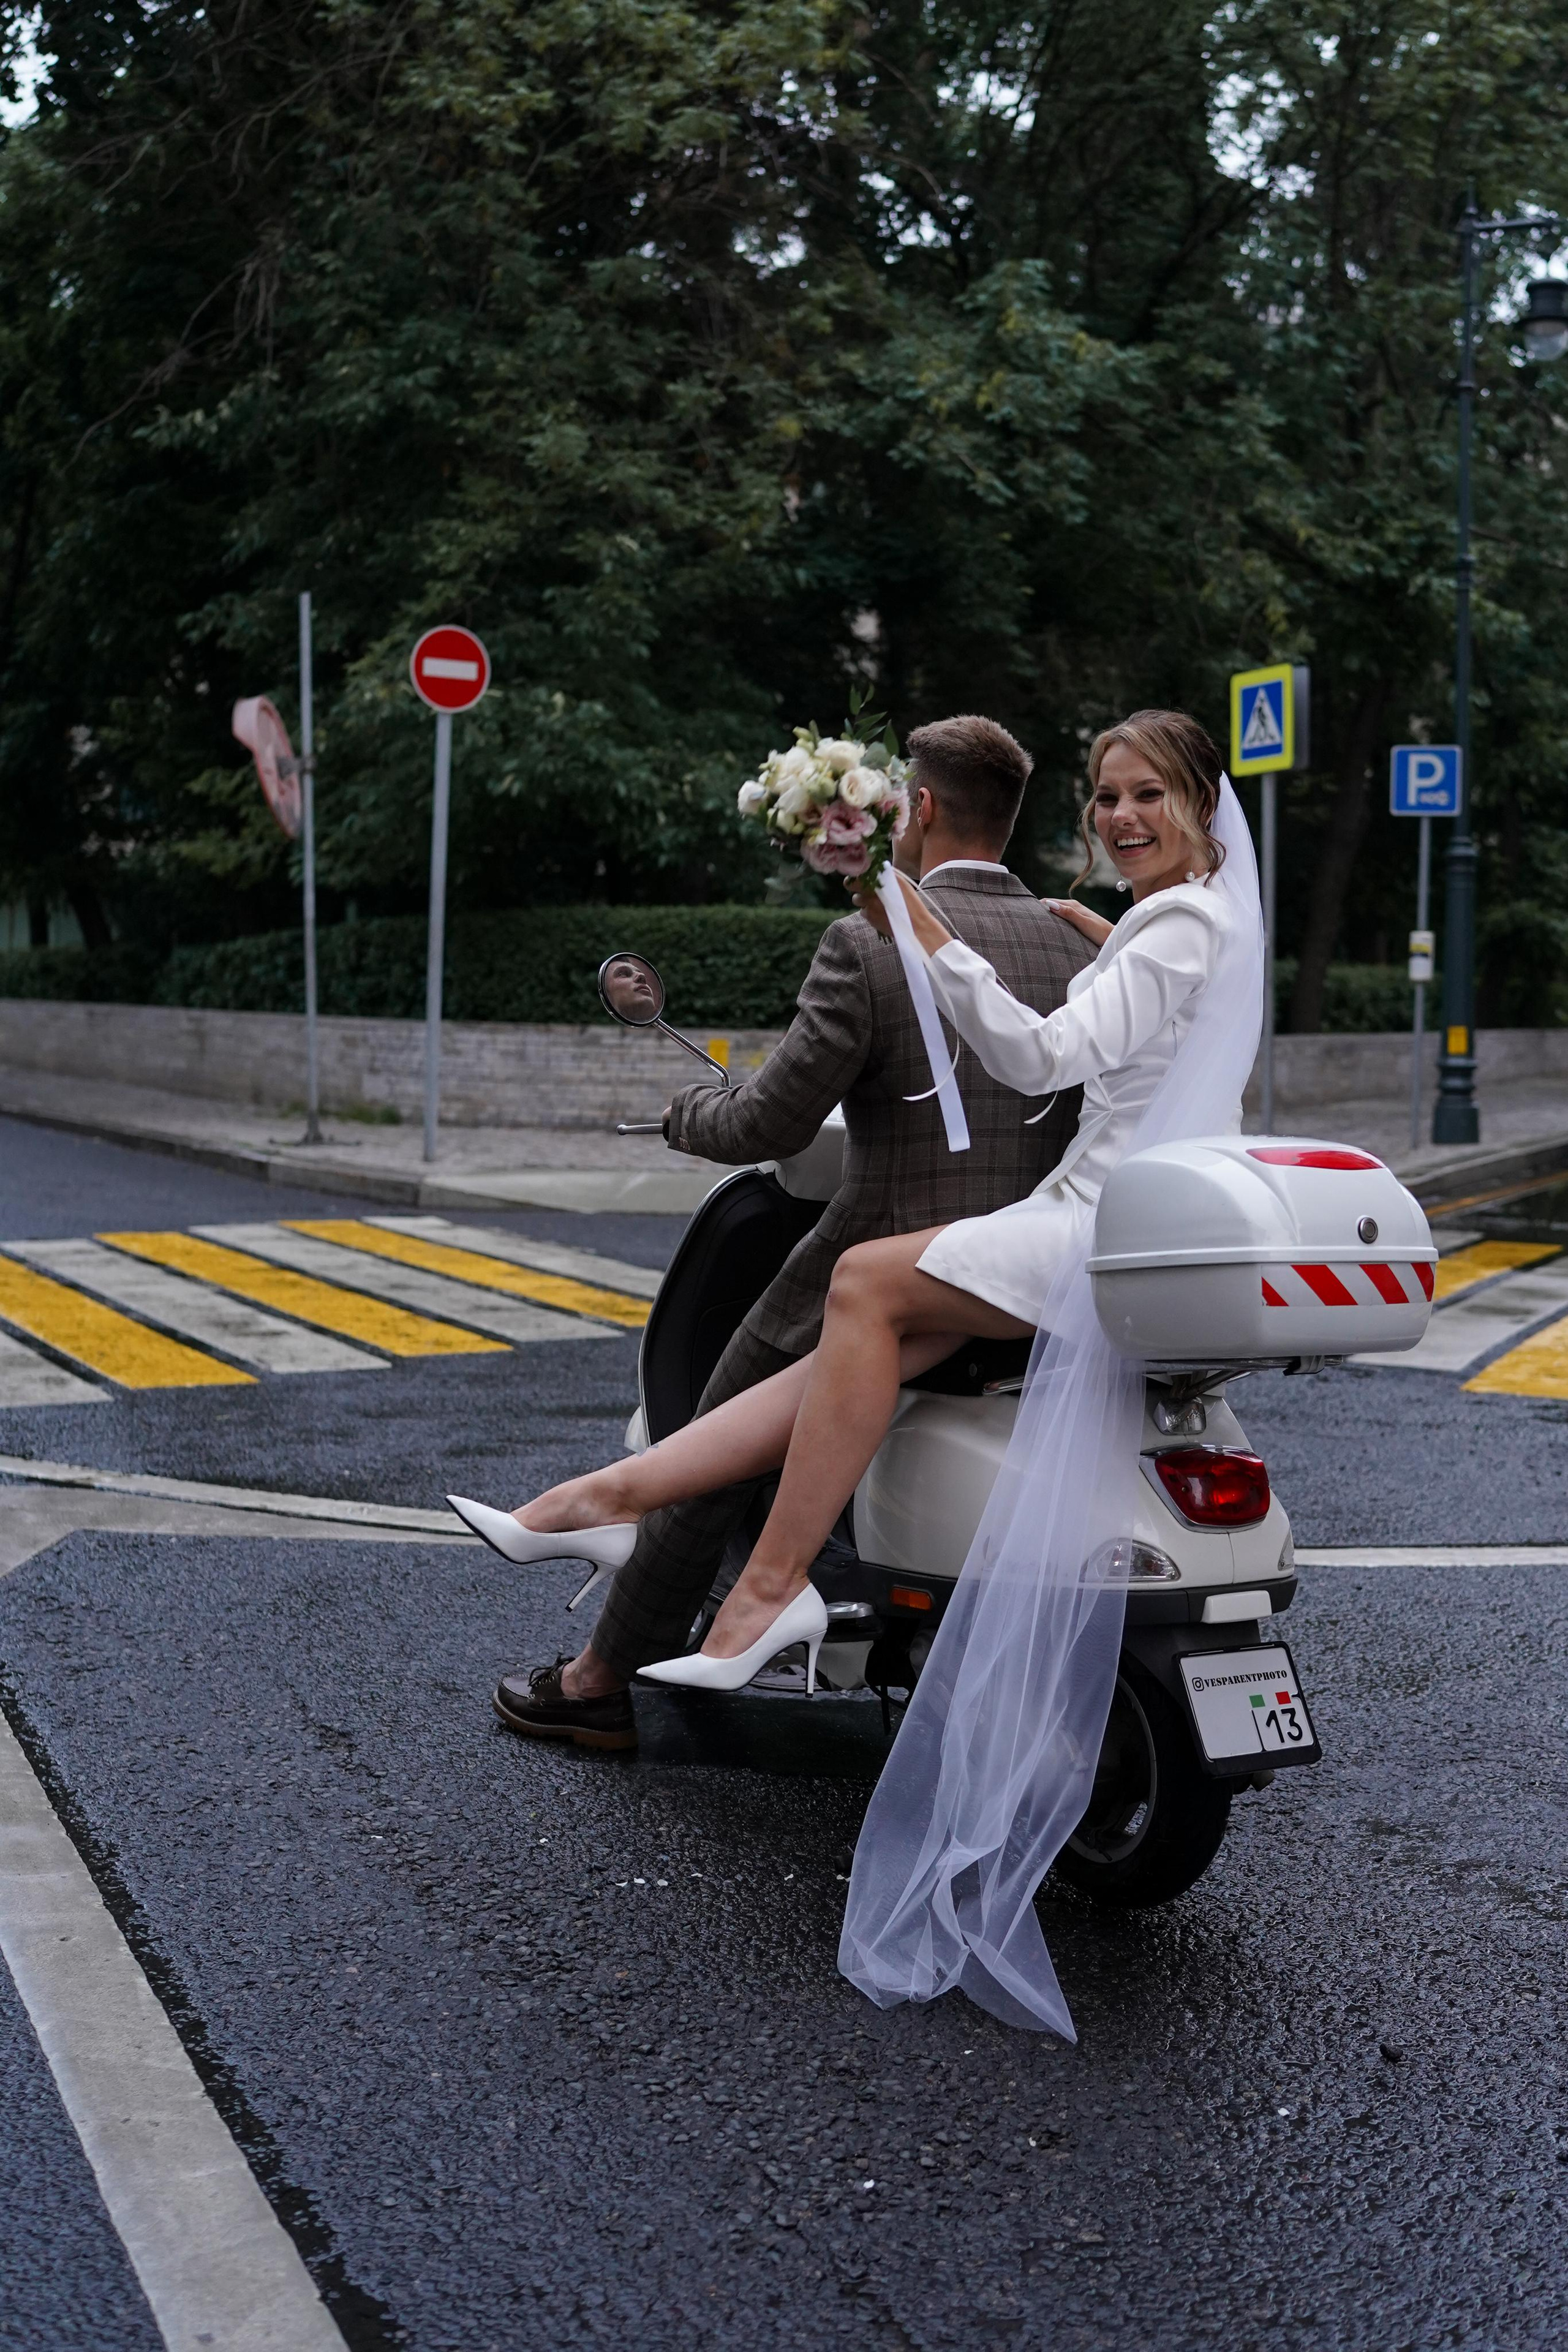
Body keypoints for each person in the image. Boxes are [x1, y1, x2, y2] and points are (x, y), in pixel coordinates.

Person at [462, 706, 1262, 2034]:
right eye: (1106, 796)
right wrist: (1093, 932)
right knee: (864, 1338)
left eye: (1146, 796)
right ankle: (597, 1499)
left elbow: (1009, 1062)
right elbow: (1153, 1018)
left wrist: (928, 939)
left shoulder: (913, 933)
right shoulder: (1161, 922)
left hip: (1079, 1223)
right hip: (1099, 1216)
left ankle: (735, 1603)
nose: (1121, 817)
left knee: (849, 1292)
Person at [475, 714, 1095, 1750]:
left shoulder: (870, 940)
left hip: (890, 1260)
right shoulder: (1077, 941)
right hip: (1037, 1268)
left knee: (711, 1433)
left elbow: (772, 1123)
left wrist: (687, 1114)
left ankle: (597, 1682)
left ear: (920, 807)